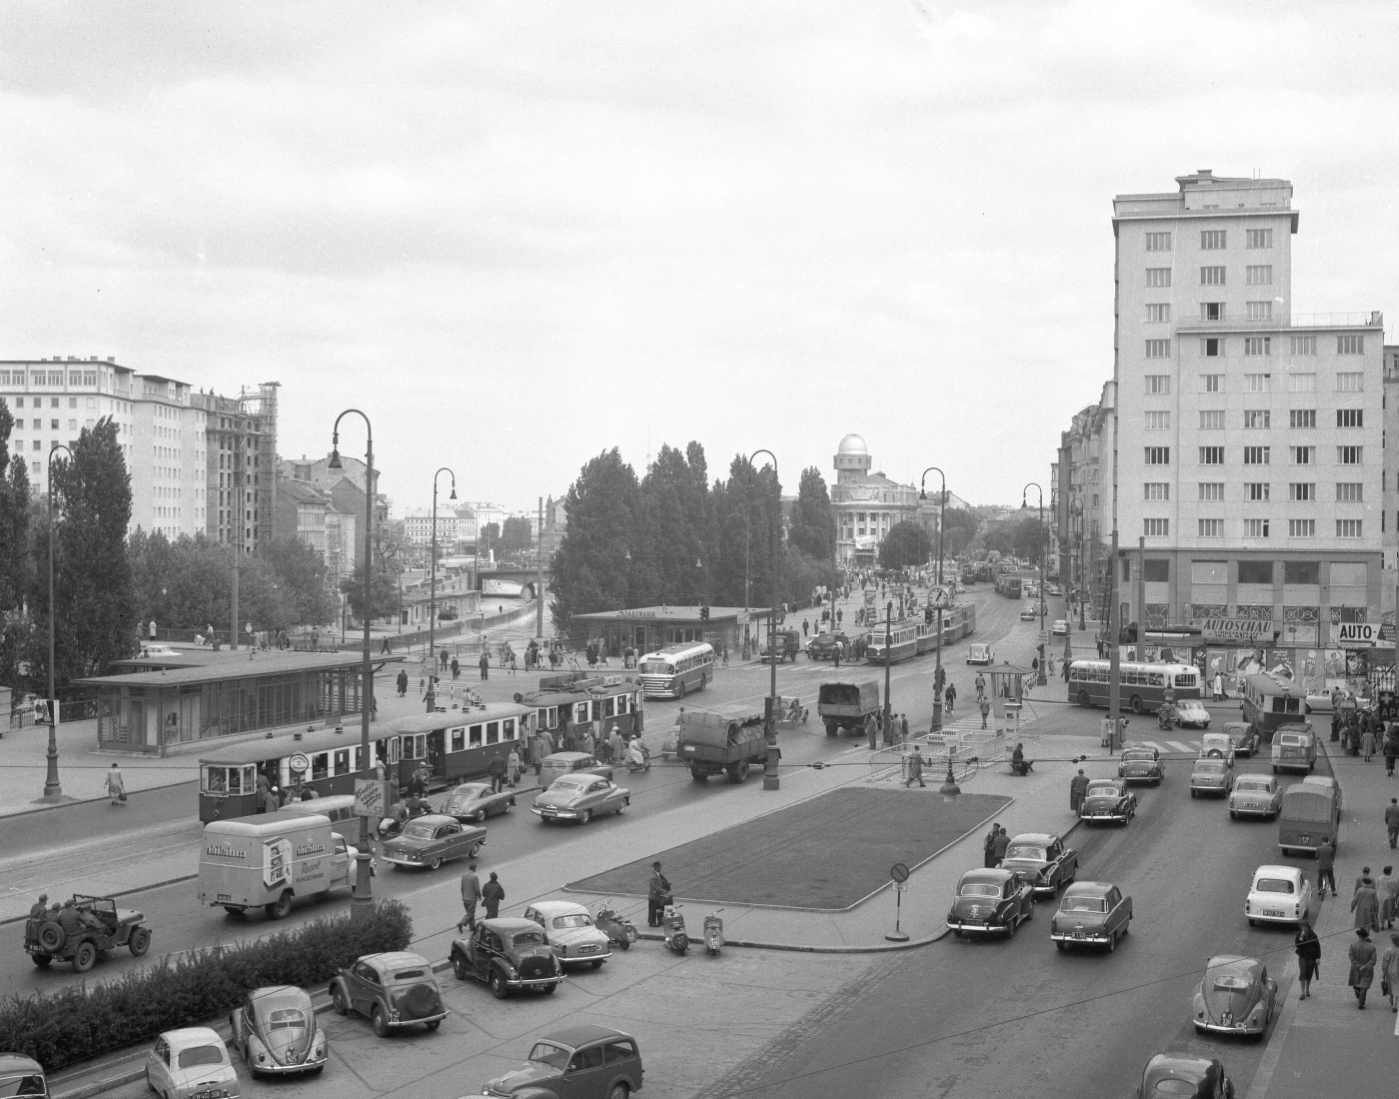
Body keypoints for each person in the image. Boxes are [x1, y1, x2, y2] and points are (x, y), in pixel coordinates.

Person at [1350, 928, 1377, 1008]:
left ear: (1358, 936)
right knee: (1364, 987)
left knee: (1357, 985)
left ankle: (1360, 999)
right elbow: (1373, 960)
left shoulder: (1353, 945)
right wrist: (1365, 966)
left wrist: (1358, 966)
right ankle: (1361, 1003)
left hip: (1355, 969)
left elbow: (1351, 957)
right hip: (1367, 971)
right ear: (1366, 937)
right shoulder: (1372, 947)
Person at [1295, 919, 1321, 1000]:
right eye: (1302, 927)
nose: (1303, 929)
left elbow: (1317, 946)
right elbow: (1297, 945)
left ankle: (1307, 990)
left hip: (1311, 957)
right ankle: (1302, 992)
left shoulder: (1313, 935)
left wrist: (1318, 957)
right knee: (1303, 973)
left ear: (1307, 927)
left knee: (1309, 973)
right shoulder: (1299, 934)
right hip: (1302, 956)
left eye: (1304, 927)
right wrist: (1301, 938)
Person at [458, 864, 482, 932]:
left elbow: (462, 888)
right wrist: (479, 896)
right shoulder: (474, 877)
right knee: (471, 913)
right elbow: (477, 888)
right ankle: (461, 923)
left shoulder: (464, 876)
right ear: (474, 868)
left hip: (465, 898)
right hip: (472, 898)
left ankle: (472, 927)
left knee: (469, 913)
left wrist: (463, 896)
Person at [648, 861, 671, 927]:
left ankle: (660, 920)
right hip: (654, 897)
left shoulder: (658, 875)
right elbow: (654, 887)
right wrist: (663, 890)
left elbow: (661, 882)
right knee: (653, 910)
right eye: (658, 867)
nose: (659, 868)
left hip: (659, 896)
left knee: (660, 909)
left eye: (659, 867)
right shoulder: (653, 876)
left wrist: (667, 883)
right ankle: (652, 922)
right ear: (655, 868)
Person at [1382, 932, 1399, 1012]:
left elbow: (1385, 963)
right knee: (1397, 986)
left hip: (1390, 971)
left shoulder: (1388, 950)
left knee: (1392, 985)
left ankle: (1393, 1002)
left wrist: (1383, 973)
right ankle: (1394, 1004)